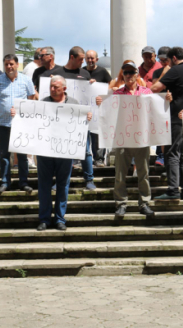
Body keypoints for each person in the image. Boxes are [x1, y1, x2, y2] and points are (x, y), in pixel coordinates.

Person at [97, 62, 169, 217]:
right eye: (126, 72)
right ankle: (121, 204)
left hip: (142, 138)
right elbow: (108, 112)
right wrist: (100, 104)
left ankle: (144, 203)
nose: (129, 75)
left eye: (132, 72)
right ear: (123, 75)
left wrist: (166, 99)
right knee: (120, 174)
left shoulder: (146, 92)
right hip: (122, 137)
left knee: (143, 173)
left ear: (137, 74)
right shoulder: (117, 94)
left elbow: (156, 109)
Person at [36, 76, 92, 231]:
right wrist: (18, 114)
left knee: (63, 185)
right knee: (44, 185)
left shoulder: (74, 104)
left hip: (65, 152)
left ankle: (60, 219)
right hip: (45, 151)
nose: (53, 89)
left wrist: (87, 117)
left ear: (64, 89)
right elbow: (31, 120)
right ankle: (44, 219)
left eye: (56, 87)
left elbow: (81, 125)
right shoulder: (42, 103)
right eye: (51, 86)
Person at [42, 46, 96, 190]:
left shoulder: (85, 73)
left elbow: (90, 97)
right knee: (59, 151)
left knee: (85, 150)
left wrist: (93, 86)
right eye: (80, 59)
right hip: (59, 123)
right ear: (72, 57)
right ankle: (57, 181)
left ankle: (89, 179)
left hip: (80, 119)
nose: (83, 62)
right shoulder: (57, 73)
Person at [151, 46, 183, 201]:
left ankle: (173, 190)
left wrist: (164, 74)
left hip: (176, 119)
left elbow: (154, 88)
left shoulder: (175, 70)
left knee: (171, 153)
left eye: (168, 61)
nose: (167, 64)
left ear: (173, 58)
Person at [0, 54, 36, 192]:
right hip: (3, 124)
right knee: (4, 155)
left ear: (17, 65)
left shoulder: (26, 80)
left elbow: (31, 100)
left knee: (22, 155)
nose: (9, 67)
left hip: (21, 124)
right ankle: (5, 182)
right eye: (6, 64)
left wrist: (23, 114)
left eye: (11, 64)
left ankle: (24, 182)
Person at [85, 49, 111, 167]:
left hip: (98, 109)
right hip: (84, 109)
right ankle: (83, 160)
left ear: (97, 59)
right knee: (84, 135)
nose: (90, 60)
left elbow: (111, 86)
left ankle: (99, 159)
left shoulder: (103, 71)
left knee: (98, 135)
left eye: (92, 58)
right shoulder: (81, 72)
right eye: (88, 58)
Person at [152, 47, 171, 167]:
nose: (163, 62)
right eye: (161, 60)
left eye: (165, 60)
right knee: (161, 129)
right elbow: (154, 88)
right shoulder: (157, 72)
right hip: (161, 104)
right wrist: (164, 74)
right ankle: (161, 154)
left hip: (173, 103)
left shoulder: (176, 70)